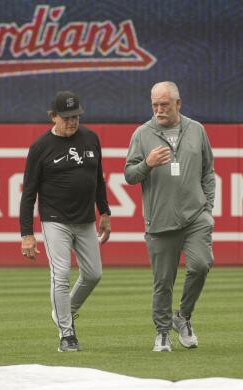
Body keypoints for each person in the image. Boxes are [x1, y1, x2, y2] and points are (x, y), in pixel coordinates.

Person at [124, 81, 215, 352]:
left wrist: (208, 208)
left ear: (178, 104)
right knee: (163, 282)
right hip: (160, 220)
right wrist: (147, 164)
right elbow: (129, 175)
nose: (159, 110)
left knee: (201, 265)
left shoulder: (196, 129)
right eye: (154, 105)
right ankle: (162, 332)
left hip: (195, 216)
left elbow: (208, 171)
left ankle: (183, 316)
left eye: (164, 104)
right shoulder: (142, 134)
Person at [19, 90, 111, 352]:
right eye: (67, 117)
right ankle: (67, 335)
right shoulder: (40, 147)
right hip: (55, 220)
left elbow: (98, 181)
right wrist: (27, 233)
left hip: (85, 220)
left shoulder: (91, 138)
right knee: (60, 275)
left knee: (93, 274)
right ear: (53, 116)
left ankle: (63, 311)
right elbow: (28, 194)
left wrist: (104, 213)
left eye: (76, 116)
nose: (72, 121)